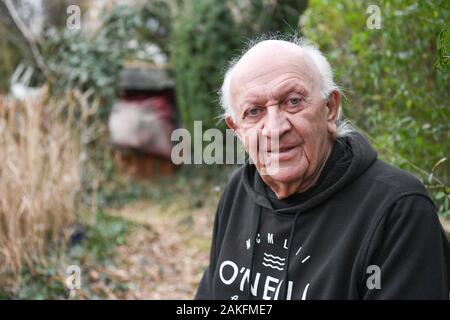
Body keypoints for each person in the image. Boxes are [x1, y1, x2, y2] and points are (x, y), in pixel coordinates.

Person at [195, 36, 450, 300]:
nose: (274, 128)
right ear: (236, 130)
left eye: (293, 101)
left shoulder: (398, 210)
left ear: (330, 108)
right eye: (254, 111)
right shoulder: (239, 189)